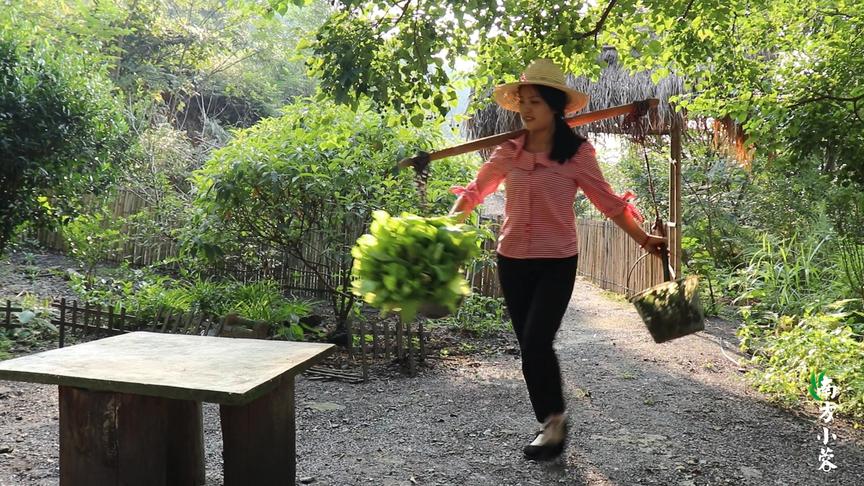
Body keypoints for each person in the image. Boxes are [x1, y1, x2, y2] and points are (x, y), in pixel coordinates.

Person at [448, 58, 667, 461]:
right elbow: (475, 191)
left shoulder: (577, 154)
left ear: (555, 107)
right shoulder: (509, 151)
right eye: (523, 101)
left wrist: (643, 239)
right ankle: (551, 422)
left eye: (536, 101)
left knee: (536, 341)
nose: (527, 108)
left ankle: (553, 423)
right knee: (528, 346)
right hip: (512, 259)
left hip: (556, 261)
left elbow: (609, 204)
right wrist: (444, 227)